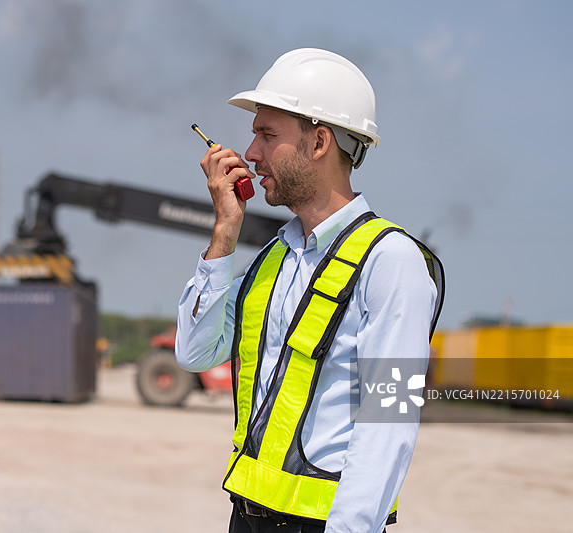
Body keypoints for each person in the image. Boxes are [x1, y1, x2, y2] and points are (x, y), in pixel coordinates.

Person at [175, 48, 444, 533]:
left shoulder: (391, 262)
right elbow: (194, 353)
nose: (250, 153)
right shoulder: (273, 260)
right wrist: (224, 233)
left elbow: (389, 423)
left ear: (319, 142)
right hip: (246, 515)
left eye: (266, 134)